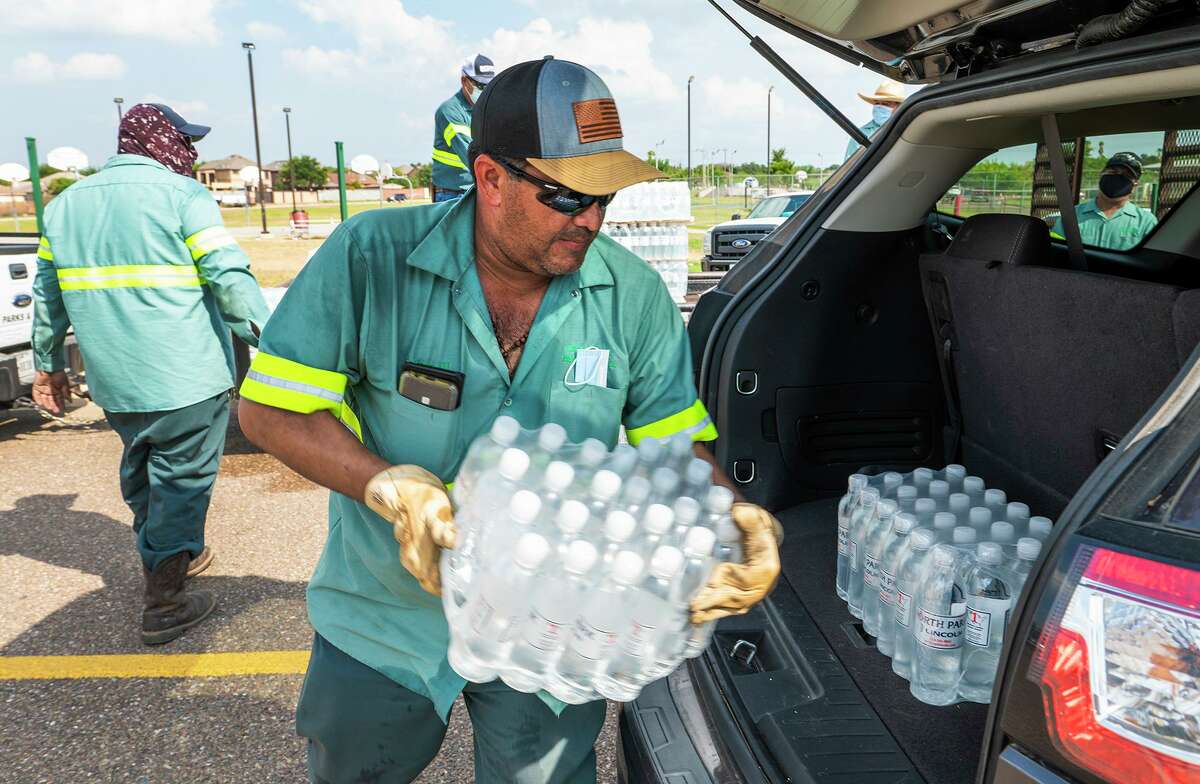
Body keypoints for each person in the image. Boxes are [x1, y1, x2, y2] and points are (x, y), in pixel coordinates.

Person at [238, 56, 783, 784]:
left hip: (550, 630)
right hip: (385, 617)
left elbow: (674, 445)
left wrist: (731, 517)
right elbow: (270, 408)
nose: (589, 219)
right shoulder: (372, 258)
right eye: (566, 196)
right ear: (491, 178)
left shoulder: (634, 296)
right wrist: (388, 486)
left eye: (604, 199)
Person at [30, 103, 269, 645]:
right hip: (185, 376)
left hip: (116, 381)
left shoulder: (63, 207)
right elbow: (229, 278)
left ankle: (177, 550)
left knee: (143, 471)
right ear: (161, 142)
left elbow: (48, 297)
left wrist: (48, 367)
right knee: (182, 478)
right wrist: (273, 343)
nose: (191, 153)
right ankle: (165, 601)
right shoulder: (184, 196)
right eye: (186, 140)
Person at [1050, 151, 1157, 251]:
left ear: (1135, 186)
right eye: (1113, 171)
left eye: (1126, 175)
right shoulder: (1072, 216)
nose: (1117, 177)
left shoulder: (1146, 222)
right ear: (1101, 175)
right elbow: (1057, 252)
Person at [432, 53, 496, 203]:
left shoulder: (489, 110)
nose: (485, 91)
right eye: (480, 85)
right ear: (464, 81)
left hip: (476, 189)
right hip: (451, 195)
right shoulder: (450, 111)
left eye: (489, 86)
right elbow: (471, 154)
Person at [844, 81, 905, 161]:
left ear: (899, 107)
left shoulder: (908, 129)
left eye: (885, 104)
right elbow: (848, 166)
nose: (879, 107)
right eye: (876, 103)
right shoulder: (860, 134)